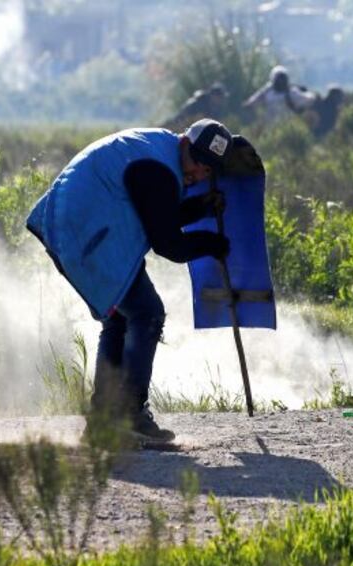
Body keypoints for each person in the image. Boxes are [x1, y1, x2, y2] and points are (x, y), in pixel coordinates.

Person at [27, 120, 233, 445]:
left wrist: (198, 209)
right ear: (184, 143)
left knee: (120, 317)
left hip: (72, 225)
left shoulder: (159, 152)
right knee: (147, 312)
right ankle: (129, 414)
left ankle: (102, 422)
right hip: (82, 230)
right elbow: (168, 244)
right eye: (197, 162)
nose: (199, 173)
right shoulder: (159, 171)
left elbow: (157, 213)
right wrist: (212, 244)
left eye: (209, 170)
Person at [242, 65, 316, 123]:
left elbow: (309, 99)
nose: (280, 81)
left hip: (288, 124)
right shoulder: (268, 91)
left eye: (282, 78)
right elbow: (256, 99)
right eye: (279, 78)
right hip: (269, 124)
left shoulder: (291, 92)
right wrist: (249, 104)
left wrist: (310, 95)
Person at [161, 82, 229, 130]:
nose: (221, 100)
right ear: (213, 95)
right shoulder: (199, 103)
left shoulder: (215, 108)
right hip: (182, 126)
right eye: (220, 97)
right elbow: (183, 116)